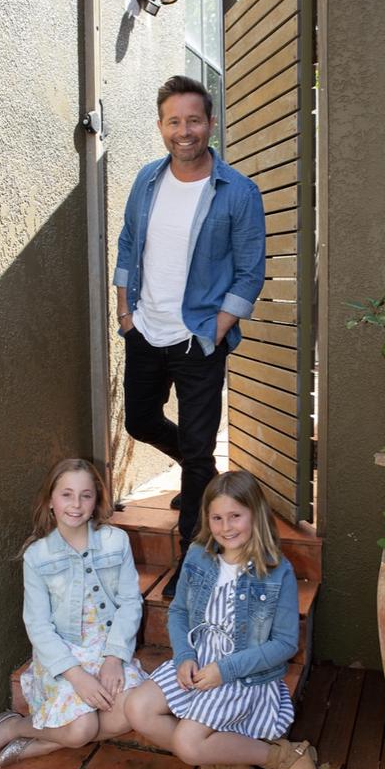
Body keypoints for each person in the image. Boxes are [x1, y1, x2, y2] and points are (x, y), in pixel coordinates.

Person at [114, 75, 266, 597]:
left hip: (200, 339)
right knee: (140, 420)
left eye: (194, 120)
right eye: (174, 121)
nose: (185, 131)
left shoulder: (238, 191)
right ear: (161, 127)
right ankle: (202, 472)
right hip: (145, 332)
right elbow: (129, 241)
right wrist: (124, 314)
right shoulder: (146, 181)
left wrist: (218, 329)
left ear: (211, 124)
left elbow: (250, 271)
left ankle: (191, 560)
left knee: (198, 450)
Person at [124, 470, 321, 769]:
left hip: (243, 673)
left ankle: (283, 757)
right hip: (198, 662)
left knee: (187, 742)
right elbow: (180, 612)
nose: (226, 527)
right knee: (136, 708)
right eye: (217, 517)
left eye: (235, 516)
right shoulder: (199, 557)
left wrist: (224, 670)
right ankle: (224, 765)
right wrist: (183, 656)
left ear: (255, 515)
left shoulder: (277, 571)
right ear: (207, 518)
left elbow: (285, 644)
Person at [0, 458, 146, 768]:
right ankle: (14, 726)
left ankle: (42, 745)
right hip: (63, 654)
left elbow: (131, 602)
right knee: (82, 728)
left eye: (86, 495)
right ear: (50, 499)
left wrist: (114, 658)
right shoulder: (38, 556)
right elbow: (37, 625)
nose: (76, 504)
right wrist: (77, 676)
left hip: (108, 646)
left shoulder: (117, 542)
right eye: (66, 494)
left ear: (96, 500)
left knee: (132, 711)